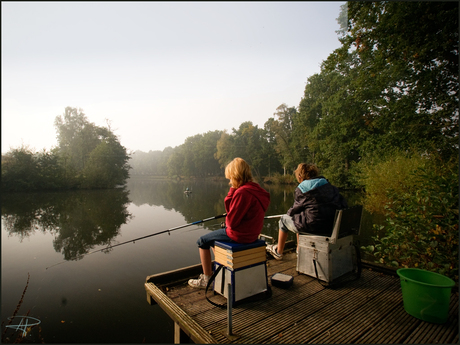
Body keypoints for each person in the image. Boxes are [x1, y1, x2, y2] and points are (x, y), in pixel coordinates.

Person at [188, 157, 270, 288]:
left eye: (230, 178)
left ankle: (207, 279)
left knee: (202, 241)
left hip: (240, 235)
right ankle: (223, 266)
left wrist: (232, 192)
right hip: (253, 234)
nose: (229, 181)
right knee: (214, 240)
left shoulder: (242, 192)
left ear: (235, 175)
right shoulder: (256, 190)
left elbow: (231, 222)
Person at [266, 163, 347, 260]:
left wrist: (288, 214)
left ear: (300, 177)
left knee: (283, 220)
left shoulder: (302, 188)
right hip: (331, 225)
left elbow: (293, 210)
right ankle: (299, 250)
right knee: (300, 217)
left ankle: (278, 252)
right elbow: (342, 203)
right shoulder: (329, 186)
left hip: (314, 226)